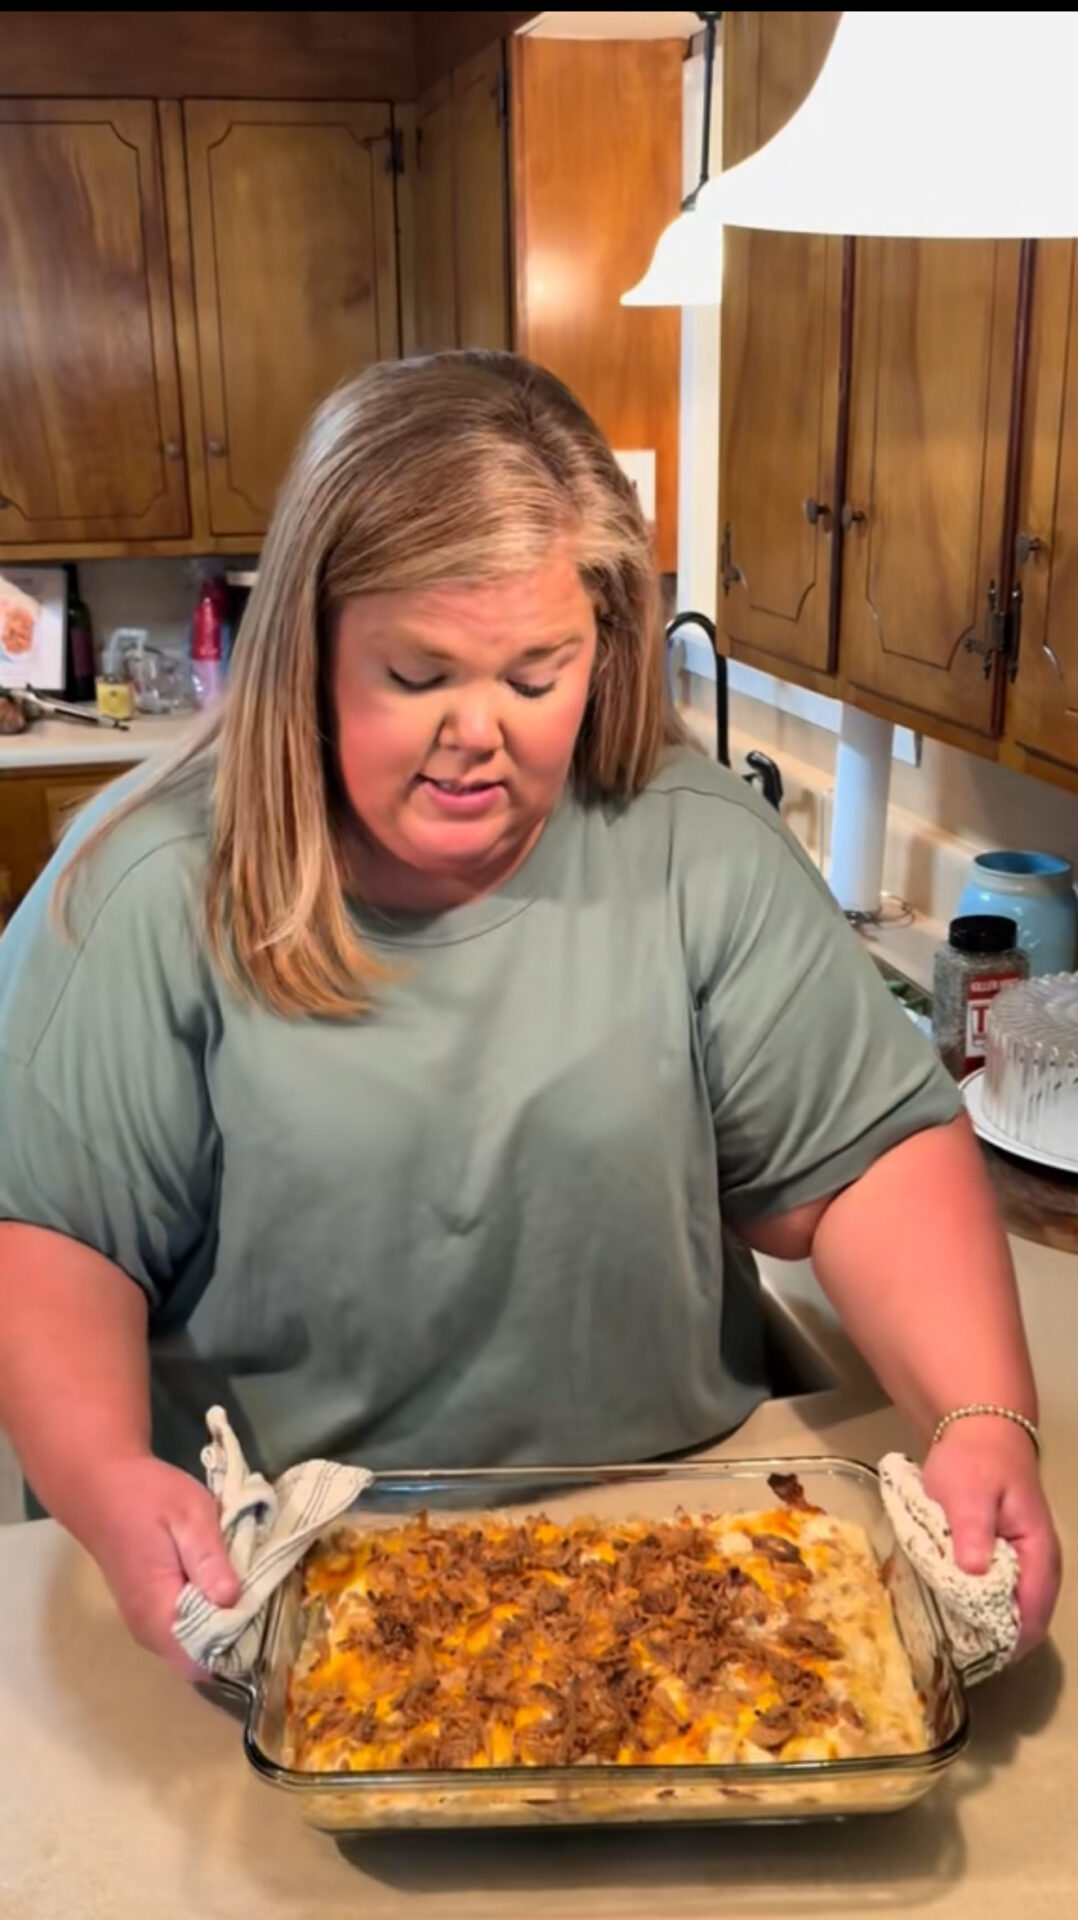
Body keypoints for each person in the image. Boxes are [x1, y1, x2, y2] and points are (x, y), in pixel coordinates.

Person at [0, 352, 1059, 1677]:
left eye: (535, 669)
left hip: (681, 1553)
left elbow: (857, 1168)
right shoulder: (145, 892)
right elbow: (54, 1247)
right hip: (284, 1575)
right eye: (417, 672)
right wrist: (104, 1478)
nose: (476, 732)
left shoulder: (696, 850)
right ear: (309, 648)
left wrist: (980, 1419)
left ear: (604, 641)